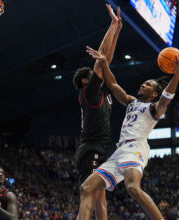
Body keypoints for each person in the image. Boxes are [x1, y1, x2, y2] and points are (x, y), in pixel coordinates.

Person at [78, 44, 179, 220]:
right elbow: (112, 84)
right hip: (119, 151)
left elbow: (166, 99)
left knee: (132, 187)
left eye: (148, 84)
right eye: (144, 82)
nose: (143, 84)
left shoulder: (154, 109)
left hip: (136, 149)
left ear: (154, 94)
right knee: (86, 187)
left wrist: (177, 75)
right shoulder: (131, 102)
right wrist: (104, 62)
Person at [72, 4, 122, 220]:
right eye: (92, 76)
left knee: (101, 200)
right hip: (90, 150)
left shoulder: (100, 91)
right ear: (86, 81)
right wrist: (112, 25)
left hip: (99, 149)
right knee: (90, 193)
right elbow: (101, 59)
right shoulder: (89, 91)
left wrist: (118, 28)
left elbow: (105, 61)